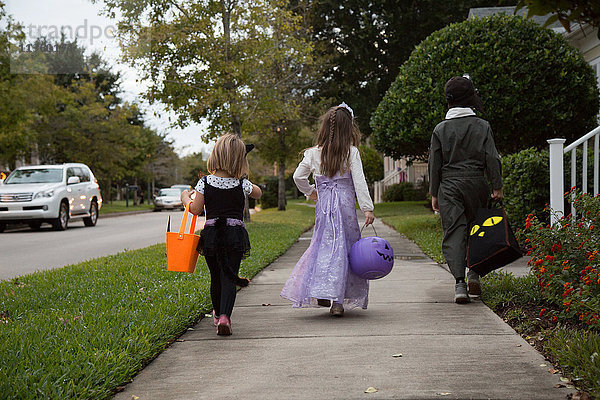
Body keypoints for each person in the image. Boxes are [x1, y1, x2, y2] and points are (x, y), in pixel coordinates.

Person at [280, 103, 375, 317]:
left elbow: (297, 177)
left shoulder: (313, 153)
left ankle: (322, 289)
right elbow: (359, 182)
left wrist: (312, 192)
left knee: (324, 247)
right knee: (345, 249)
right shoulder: (351, 152)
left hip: (324, 208)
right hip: (345, 208)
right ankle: (337, 301)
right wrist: (367, 208)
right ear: (349, 128)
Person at [428, 75, 503, 304]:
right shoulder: (482, 126)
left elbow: (435, 164)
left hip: (449, 186)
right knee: (477, 228)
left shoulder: (440, 129)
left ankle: (460, 283)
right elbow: (492, 157)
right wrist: (497, 186)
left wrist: (434, 193)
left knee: (455, 231)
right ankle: (475, 274)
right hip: (476, 183)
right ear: (471, 97)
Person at [181, 134, 262, 335]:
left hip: (212, 235)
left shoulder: (205, 182)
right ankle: (225, 316)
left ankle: (217, 314)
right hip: (234, 234)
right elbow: (258, 193)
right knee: (229, 276)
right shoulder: (241, 183)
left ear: (215, 156)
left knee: (216, 276)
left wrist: (185, 198)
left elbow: (196, 209)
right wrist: (246, 182)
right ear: (240, 160)